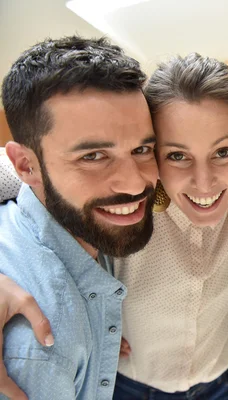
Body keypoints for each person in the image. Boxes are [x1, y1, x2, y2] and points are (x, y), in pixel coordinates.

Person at [0, 50, 228, 399]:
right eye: (176, 155)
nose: (204, 183)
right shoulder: (124, 211)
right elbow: (22, 175)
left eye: (224, 152)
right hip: (132, 385)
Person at [0, 36, 157, 399]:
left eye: (142, 149)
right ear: (26, 165)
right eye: (93, 156)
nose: (135, 183)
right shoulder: (40, 348)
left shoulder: (79, 222)